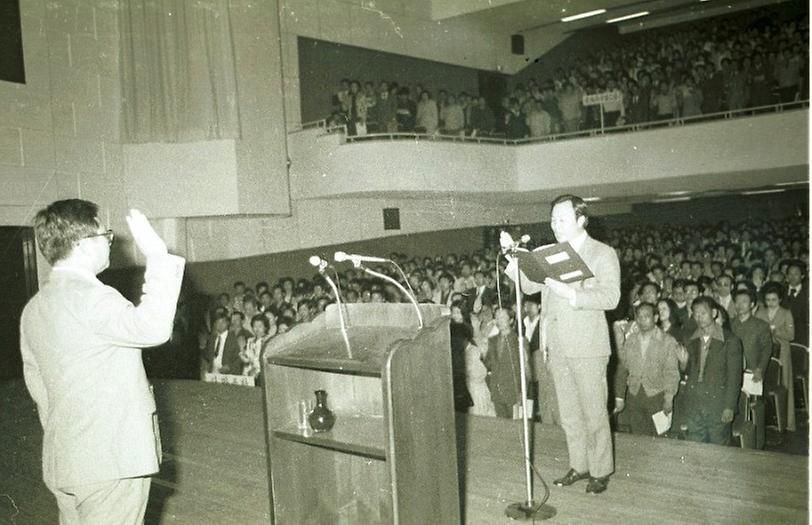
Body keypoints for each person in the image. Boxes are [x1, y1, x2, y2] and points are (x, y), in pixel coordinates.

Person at [20, 200, 185, 524]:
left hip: (65, 459)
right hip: (110, 461)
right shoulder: (93, 297)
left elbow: (37, 385)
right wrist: (157, 255)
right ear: (82, 245)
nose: (110, 242)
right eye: (105, 235)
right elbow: (153, 328)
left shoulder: (34, 309)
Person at [504, 194, 621, 495]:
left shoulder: (601, 253)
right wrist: (511, 257)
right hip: (556, 345)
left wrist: (571, 294)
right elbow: (529, 285)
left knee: (594, 412)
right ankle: (579, 464)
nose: (555, 225)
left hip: (588, 347)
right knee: (569, 412)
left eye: (562, 219)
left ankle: (600, 469)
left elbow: (611, 297)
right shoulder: (550, 252)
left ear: (581, 220)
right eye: (553, 219)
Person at [613, 303, 682, 436]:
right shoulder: (631, 340)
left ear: (655, 318)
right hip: (635, 396)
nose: (641, 320)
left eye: (646, 316)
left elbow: (671, 372)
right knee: (638, 440)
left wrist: (668, 398)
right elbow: (623, 367)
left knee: (659, 440)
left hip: (657, 397)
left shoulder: (667, 341)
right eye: (638, 317)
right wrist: (620, 396)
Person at [681, 297, 743, 445]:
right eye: (695, 314)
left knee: (718, 448)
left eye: (703, 313)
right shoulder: (691, 339)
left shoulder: (730, 340)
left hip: (718, 404)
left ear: (714, 313)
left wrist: (729, 406)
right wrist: (683, 364)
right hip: (695, 402)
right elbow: (687, 372)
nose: (699, 317)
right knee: (695, 448)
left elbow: (735, 378)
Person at [730, 288, 773, 449]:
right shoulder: (731, 323)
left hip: (752, 373)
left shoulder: (760, 325)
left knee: (754, 410)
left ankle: (757, 444)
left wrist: (760, 369)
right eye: (737, 302)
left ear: (753, 305)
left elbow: (767, 348)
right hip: (734, 373)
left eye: (744, 302)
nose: (740, 305)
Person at [755, 282, 796, 431]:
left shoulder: (786, 313)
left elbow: (791, 335)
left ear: (779, 299)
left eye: (773, 300)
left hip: (782, 352)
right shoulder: (760, 313)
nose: (770, 303)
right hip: (764, 352)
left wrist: (776, 331)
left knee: (783, 384)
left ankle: (786, 422)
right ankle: (764, 422)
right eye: (768, 300)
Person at [483, 308, 524, 418]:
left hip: (513, 392)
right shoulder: (492, 340)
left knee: (514, 427)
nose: (499, 320)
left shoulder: (519, 340)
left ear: (511, 320)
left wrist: (522, 393)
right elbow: (488, 364)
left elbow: (526, 370)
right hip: (496, 391)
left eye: (502, 317)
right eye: (496, 317)